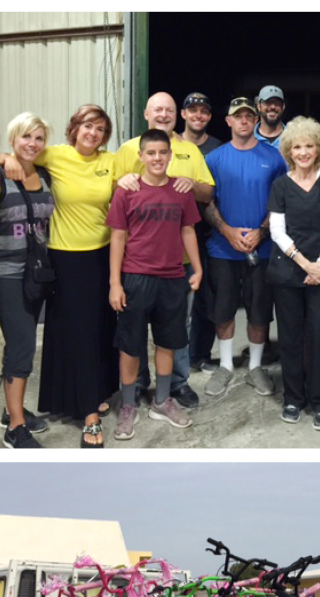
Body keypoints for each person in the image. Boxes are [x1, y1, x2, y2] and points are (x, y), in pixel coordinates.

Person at [3, 105, 120, 448]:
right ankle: (89, 416)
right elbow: (19, 153)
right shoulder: (55, 156)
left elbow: (133, 181)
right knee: (78, 334)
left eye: (100, 129)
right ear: (74, 129)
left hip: (103, 256)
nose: (93, 134)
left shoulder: (110, 162)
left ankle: (88, 393)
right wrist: (1, 158)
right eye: (87, 126)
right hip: (67, 260)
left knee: (100, 330)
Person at [115, 92, 215, 409]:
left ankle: (176, 385)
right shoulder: (128, 148)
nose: (163, 114)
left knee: (175, 331)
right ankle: (139, 386)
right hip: (139, 264)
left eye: (169, 110)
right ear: (147, 113)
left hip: (177, 264)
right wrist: (126, 178)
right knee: (134, 334)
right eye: (158, 109)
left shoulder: (189, 151)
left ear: (177, 116)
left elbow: (206, 192)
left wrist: (188, 182)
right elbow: (119, 197)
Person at [107, 129, 203, 441]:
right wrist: (115, 283)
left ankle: (162, 401)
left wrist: (198, 269)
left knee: (167, 342)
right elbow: (118, 237)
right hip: (136, 277)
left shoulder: (181, 190)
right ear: (141, 156)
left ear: (170, 155)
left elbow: (188, 230)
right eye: (151, 153)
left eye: (163, 153)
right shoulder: (127, 191)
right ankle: (128, 404)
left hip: (173, 278)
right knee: (131, 344)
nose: (157, 158)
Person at [202, 98, 288, 398]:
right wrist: (226, 231)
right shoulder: (213, 159)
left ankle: (254, 367)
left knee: (259, 312)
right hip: (222, 250)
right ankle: (225, 365)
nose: (243, 121)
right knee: (223, 310)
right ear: (228, 121)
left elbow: (281, 204)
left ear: (256, 120)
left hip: (262, 251)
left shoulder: (274, 159)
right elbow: (207, 203)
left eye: (248, 116)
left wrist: (261, 232)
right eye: (237, 117)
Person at [267, 116, 320, 431]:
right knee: (289, 338)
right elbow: (276, 230)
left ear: (319, 148)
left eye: (309, 146)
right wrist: (305, 264)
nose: (303, 152)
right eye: (297, 146)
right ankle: (293, 398)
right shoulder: (281, 184)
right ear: (289, 150)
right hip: (289, 273)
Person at [0, 113, 55, 449]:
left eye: (39, 138)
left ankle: (10, 410)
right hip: (4, 273)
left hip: (35, 273)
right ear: (12, 139)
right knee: (24, 343)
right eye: (26, 137)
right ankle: (15, 428)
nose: (32, 143)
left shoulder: (44, 176)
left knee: (20, 341)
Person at [180, 92, 223, 376]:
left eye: (204, 111)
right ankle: (177, 357)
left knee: (207, 297)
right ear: (183, 114)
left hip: (207, 232)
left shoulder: (218, 148)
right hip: (176, 232)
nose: (198, 115)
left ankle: (200, 354)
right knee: (178, 302)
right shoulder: (169, 145)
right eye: (192, 110)